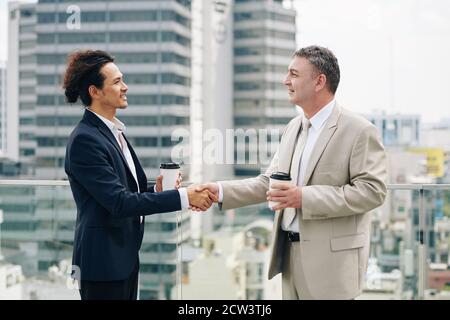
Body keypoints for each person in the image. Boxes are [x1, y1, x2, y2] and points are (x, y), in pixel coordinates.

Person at [196, 45, 387, 300]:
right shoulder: (293, 127)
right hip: (289, 258)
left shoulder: (360, 131)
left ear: (319, 81)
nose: (285, 81)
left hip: (332, 267)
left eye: (294, 74)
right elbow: (269, 183)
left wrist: (303, 197)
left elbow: (372, 192)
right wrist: (219, 191)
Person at [63, 50, 216, 300]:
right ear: (95, 91)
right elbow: (119, 202)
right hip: (102, 264)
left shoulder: (113, 132)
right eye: (117, 82)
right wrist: (184, 197)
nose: (125, 87)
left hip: (123, 257)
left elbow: (123, 190)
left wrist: (155, 190)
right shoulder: (85, 140)